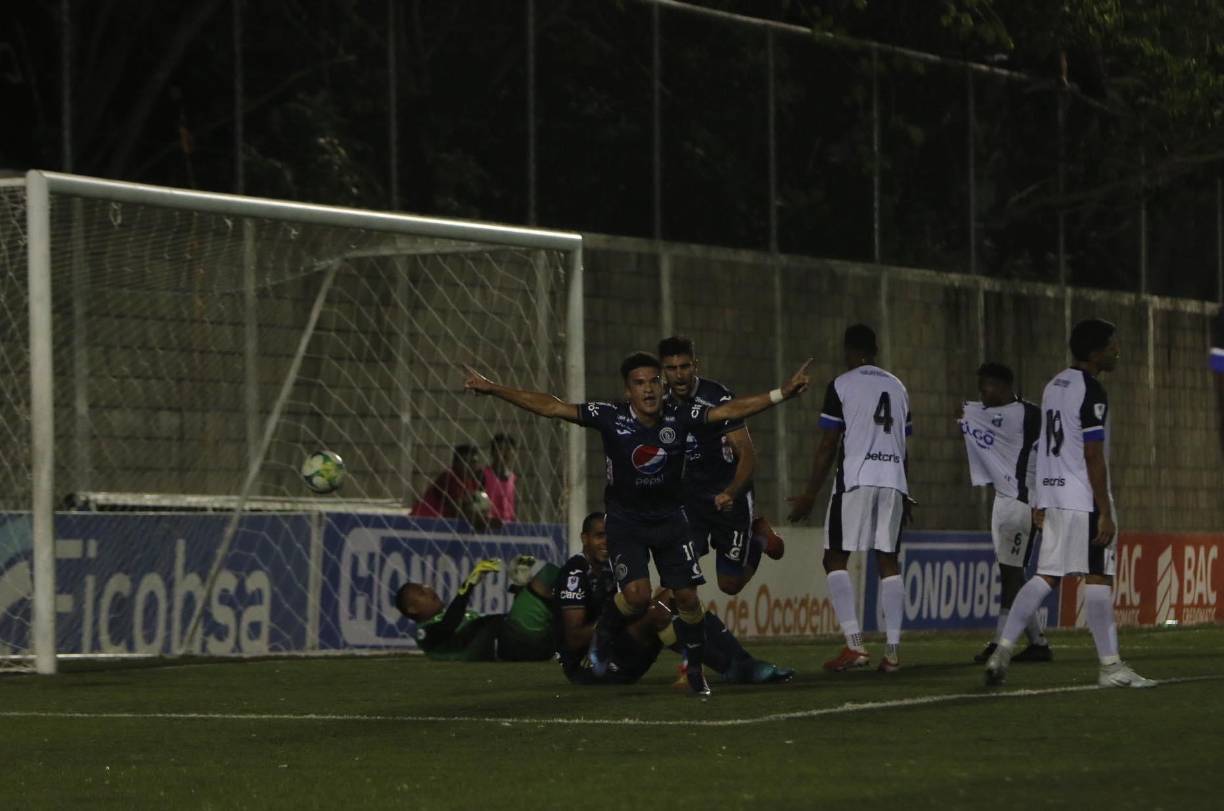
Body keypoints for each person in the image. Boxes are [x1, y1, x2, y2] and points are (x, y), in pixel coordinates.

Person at [464, 351, 811, 695]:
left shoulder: (680, 416)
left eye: (654, 382)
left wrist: (781, 393)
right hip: (627, 521)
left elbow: (730, 411)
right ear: (628, 391)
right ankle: (603, 638)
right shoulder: (610, 416)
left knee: (687, 598)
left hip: (671, 520)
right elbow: (552, 406)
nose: (648, 390)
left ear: (662, 387)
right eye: (639, 383)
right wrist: (495, 389)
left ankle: (694, 669)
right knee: (638, 595)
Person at [985, 319, 1156, 688]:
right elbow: (1092, 454)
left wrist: (1042, 497)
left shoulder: (1053, 385)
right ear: (1096, 352)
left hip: (1055, 494)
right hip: (1083, 497)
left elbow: (1046, 445)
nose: (1117, 351)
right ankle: (1111, 668)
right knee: (1098, 578)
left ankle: (1003, 648)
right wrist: (1105, 510)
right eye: (1112, 345)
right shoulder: (1091, 390)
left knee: (1046, 575)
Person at [788, 324, 912, 673]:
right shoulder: (898, 387)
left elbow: (828, 445)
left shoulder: (842, 384)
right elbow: (905, 445)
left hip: (857, 479)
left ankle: (855, 646)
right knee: (888, 562)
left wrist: (810, 495)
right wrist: (906, 488)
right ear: (875, 350)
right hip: (893, 480)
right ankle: (892, 653)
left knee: (834, 558)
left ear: (849, 351)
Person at [555, 513, 793, 685]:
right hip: (589, 667)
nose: (606, 542)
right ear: (584, 539)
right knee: (657, 611)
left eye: (609, 535)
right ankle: (731, 669)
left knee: (678, 596)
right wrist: (620, 618)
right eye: (599, 536)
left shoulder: (614, 564)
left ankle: (742, 661)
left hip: (623, 652)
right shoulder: (576, 573)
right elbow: (575, 639)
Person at [657, 335, 785, 597]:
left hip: (729, 496)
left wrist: (732, 491)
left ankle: (759, 536)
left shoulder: (718, 397)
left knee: (729, 585)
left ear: (696, 365)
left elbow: (747, 454)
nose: (679, 375)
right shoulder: (660, 403)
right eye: (671, 368)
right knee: (679, 572)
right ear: (662, 371)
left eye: (685, 366)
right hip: (691, 500)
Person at [959, 362, 1052, 663]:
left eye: (985, 386)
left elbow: (1050, 456)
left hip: (1023, 503)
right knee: (1011, 572)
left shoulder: (1031, 416)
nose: (981, 393)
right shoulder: (983, 413)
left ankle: (1001, 643)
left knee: (1012, 574)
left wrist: (1044, 500)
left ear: (1001, 386)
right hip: (1003, 500)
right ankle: (1037, 643)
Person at [395, 555, 559, 661]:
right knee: (543, 574)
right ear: (412, 609)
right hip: (516, 642)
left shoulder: (447, 621)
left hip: (526, 642)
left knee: (548, 589)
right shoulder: (424, 633)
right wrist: (469, 584)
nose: (429, 590)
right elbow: (448, 626)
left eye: (426, 587)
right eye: (420, 592)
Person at [411, 444, 483, 520]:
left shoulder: (471, 482)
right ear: (455, 463)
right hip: (423, 522)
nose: (471, 466)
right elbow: (458, 510)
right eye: (466, 461)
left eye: (474, 462)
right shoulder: (449, 477)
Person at [481, 434, 518, 523]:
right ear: (492, 453)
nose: (505, 453)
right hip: (489, 525)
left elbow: (513, 506)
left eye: (508, 450)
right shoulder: (483, 474)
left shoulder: (513, 478)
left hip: (508, 526)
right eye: (501, 449)